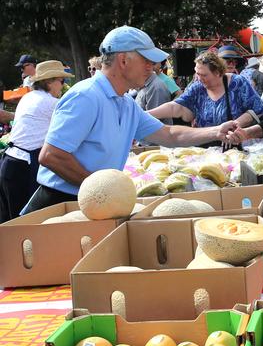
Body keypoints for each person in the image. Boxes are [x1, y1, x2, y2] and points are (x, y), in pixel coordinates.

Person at [21, 26, 233, 213]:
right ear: (123, 60)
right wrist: (101, 190)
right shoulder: (86, 96)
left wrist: (216, 131)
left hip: (91, 201)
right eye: (146, 61)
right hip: (61, 203)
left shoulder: (126, 103)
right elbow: (51, 155)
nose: (152, 67)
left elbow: (169, 134)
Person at [0, 61, 73, 221]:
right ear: (49, 82)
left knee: (7, 225)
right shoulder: (51, 103)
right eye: (62, 81)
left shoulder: (29, 97)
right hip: (22, 168)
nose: (63, 86)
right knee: (25, 225)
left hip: (9, 163)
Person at [148, 50, 263, 143]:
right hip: (205, 147)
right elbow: (175, 107)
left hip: (235, 145)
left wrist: (235, 125)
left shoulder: (238, 83)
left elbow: (257, 110)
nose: (198, 78)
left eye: (203, 75)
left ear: (218, 73)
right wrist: (146, 114)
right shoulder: (197, 88)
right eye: (197, 73)